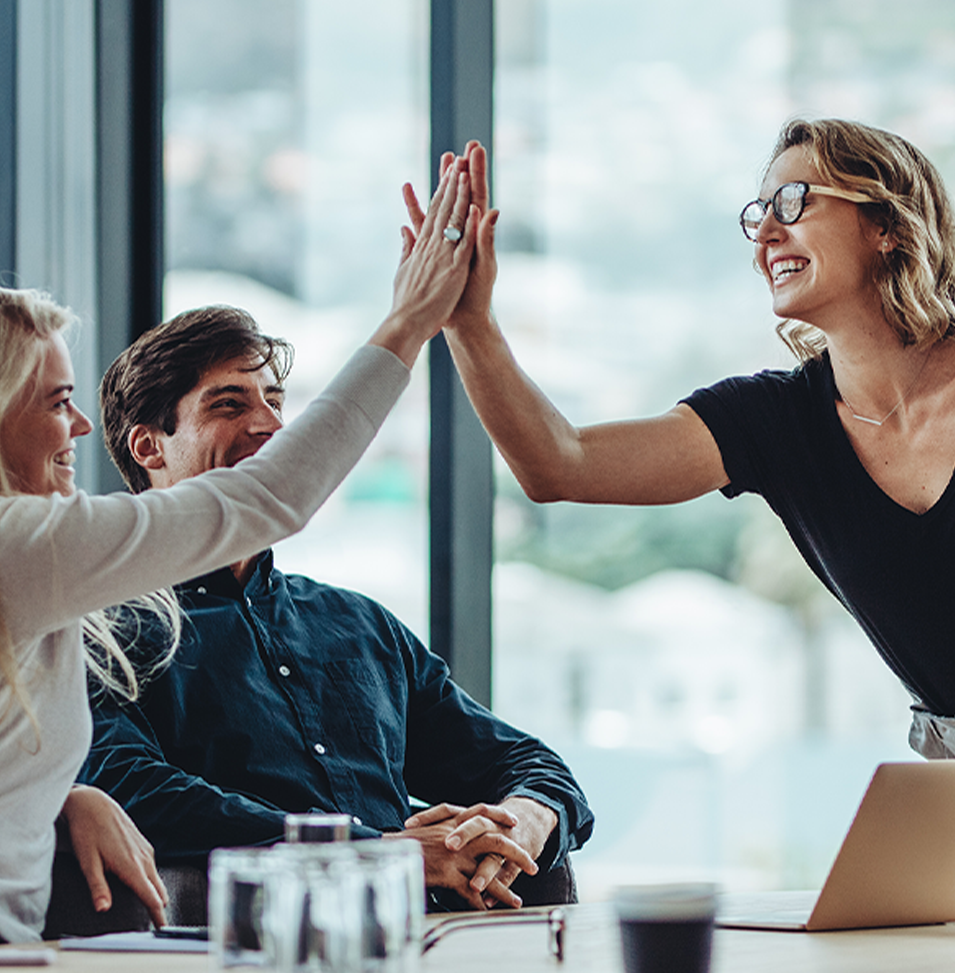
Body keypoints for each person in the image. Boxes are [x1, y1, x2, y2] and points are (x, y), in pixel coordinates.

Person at [0, 154, 483, 955]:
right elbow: (269, 498)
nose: (78, 429)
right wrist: (407, 324)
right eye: (56, 401)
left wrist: (65, 795)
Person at [431, 125, 955, 827]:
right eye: (756, 217)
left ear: (886, 222)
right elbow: (556, 463)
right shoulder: (775, 424)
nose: (763, 237)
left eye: (792, 203)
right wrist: (469, 322)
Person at [79, 305, 593, 913]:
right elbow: (132, 789)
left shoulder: (359, 624)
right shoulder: (102, 630)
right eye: (229, 404)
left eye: (274, 400)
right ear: (149, 446)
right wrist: (374, 851)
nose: (271, 424)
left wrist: (523, 819)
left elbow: (527, 762)